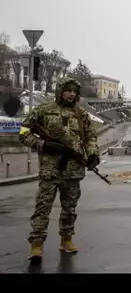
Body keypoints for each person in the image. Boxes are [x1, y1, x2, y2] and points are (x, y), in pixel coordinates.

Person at [18, 77, 100, 264]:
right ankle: (36, 245)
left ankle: (66, 240)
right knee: (43, 208)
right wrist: (43, 144)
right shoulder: (43, 111)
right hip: (50, 169)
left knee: (69, 209)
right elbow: (23, 133)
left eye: (74, 91)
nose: (71, 94)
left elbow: (90, 137)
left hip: (73, 170)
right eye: (68, 90)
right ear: (60, 91)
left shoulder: (81, 115)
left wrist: (93, 154)